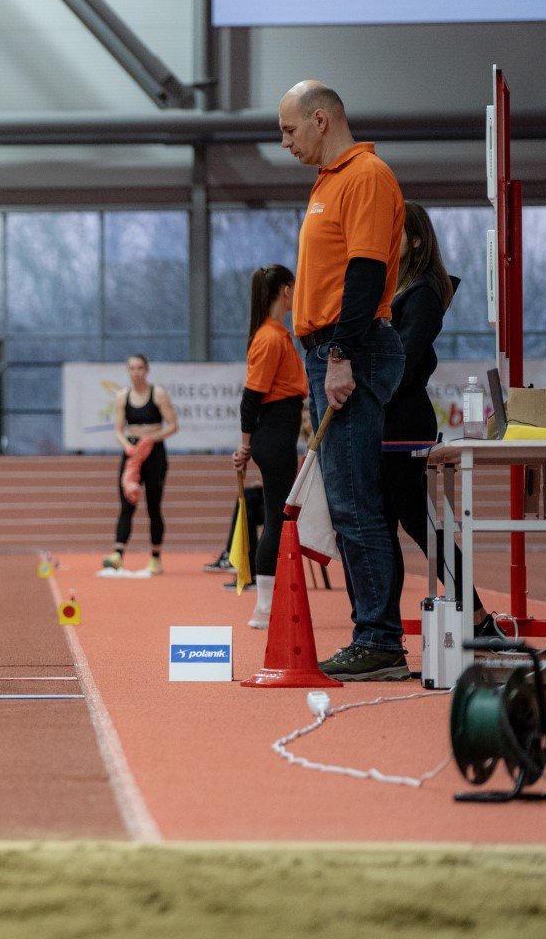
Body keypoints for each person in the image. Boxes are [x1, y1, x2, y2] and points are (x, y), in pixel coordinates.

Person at [279, 80, 407, 682]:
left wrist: (339, 354)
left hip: (348, 348)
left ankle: (379, 641)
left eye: (289, 130)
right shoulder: (327, 182)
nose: (285, 142)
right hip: (329, 349)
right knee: (348, 499)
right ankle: (373, 635)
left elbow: (364, 273)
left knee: (356, 500)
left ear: (321, 120)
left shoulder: (366, 177)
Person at [381, 203, 497, 634]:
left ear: (415, 241)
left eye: (394, 231)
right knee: (383, 528)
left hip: (401, 422)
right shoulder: (397, 288)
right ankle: (383, 630)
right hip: (388, 418)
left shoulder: (424, 292)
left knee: (418, 524)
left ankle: (478, 617)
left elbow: (404, 361)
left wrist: (370, 390)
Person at [231, 264, 307, 628]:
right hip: (273, 437)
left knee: (281, 516)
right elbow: (250, 398)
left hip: (280, 435)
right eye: (295, 287)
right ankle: (263, 608)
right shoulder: (269, 338)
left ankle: (268, 604)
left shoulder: (279, 335)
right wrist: (245, 447)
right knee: (278, 518)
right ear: (286, 292)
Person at [102, 354, 178, 575]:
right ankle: (118, 554)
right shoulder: (122, 396)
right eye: (132, 368)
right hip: (132, 454)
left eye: (140, 368)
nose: (136, 372)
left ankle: (155, 558)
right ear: (128, 371)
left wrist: (151, 439)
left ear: (147, 370)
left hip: (154, 452)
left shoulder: (158, 394)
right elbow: (118, 429)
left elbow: (173, 425)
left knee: (154, 506)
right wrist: (128, 446)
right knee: (127, 504)